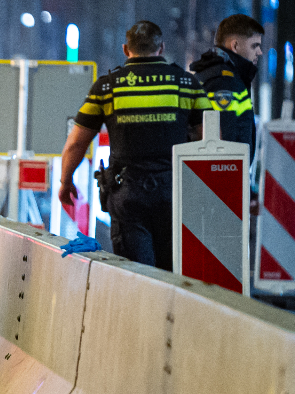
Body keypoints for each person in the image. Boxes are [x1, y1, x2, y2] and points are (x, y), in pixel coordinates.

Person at [60, 21, 210, 268]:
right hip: (175, 193)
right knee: (172, 272)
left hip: (127, 194)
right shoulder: (186, 84)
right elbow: (209, 138)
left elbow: (76, 143)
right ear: (161, 47)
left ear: (125, 49)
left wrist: (66, 182)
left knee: (135, 272)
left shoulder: (106, 87)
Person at [189, 14, 263, 157]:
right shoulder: (224, 82)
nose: (259, 52)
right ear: (235, 46)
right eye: (254, 45)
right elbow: (223, 148)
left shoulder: (217, 75)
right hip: (225, 170)